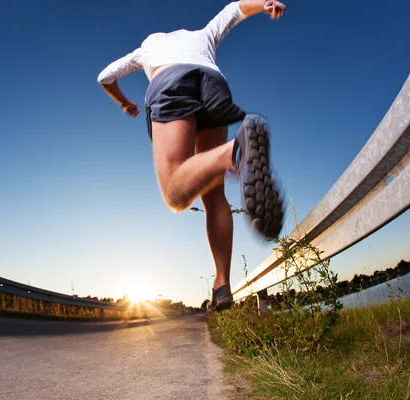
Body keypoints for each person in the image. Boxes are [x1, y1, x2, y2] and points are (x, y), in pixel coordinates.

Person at [97, 0, 286, 311]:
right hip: (213, 83)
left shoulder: (146, 50)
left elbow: (105, 76)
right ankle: (221, 285)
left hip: (172, 83)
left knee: (175, 191)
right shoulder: (201, 36)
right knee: (213, 193)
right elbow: (233, 10)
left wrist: (123, 103)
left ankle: (236, 150)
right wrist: (263, 4)